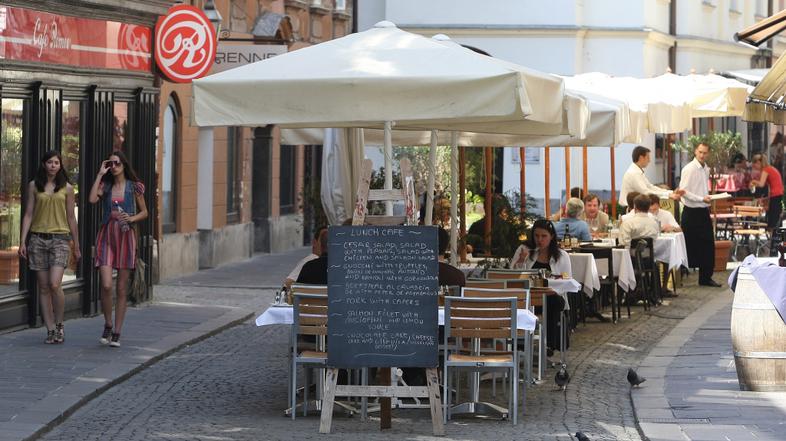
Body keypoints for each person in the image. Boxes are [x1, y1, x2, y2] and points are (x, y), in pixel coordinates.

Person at [18, 151, 81, 344]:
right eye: (50, 162)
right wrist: (22, 241)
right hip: (37, 240)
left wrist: (76, 245)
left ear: (60, 166)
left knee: (55, 284)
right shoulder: (34, 186)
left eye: (56, 162)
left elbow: (71, 217)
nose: (53, 165)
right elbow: (28, 214)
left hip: (60, 239)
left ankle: (60, 324)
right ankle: (50, 329)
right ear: (44, 164)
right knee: (43, 287)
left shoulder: (67, 188)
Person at [89, 151, 148, 347]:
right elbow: (91, 200)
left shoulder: (134, 187)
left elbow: (145, 212)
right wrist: (99, 174)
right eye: (110, 164)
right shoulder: (105, 186)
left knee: (121, 288)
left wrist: (131, 218)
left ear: (124, 165)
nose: (113, 167)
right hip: (107, 235)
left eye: (116, 163)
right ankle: (107, 323)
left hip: (126, 236)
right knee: (106, 284)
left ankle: (117, 331)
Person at [509, 219, 571, 351]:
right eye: (536, 236)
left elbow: (567, 280)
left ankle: (549, 344)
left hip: (552, 296)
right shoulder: (524, 250)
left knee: (552, 300)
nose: (540, 240)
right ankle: (523, 343)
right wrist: (521, 260)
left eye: (544, 236)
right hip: (528, 297)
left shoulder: (561, 256)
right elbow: (513, 276)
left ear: (551, 237)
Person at [678, 143, 720, 287]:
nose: (702, 155)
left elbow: (701, 189)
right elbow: (683, 191)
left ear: (708, 154)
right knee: (688, 244)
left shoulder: (706, 169)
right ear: (695, 152)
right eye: (700, 152)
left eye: (705, 153)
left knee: (708, 245)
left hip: (703, 210)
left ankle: (705, 277)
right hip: (691, 211)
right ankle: (679, 278)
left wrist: (706, 198)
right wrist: (701, 198)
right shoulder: (689, 169)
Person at [750, 153, 784, 229]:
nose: (755, 168)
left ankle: (773, 239)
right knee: (773, 218)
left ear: (758, 163)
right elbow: (770, 186)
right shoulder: (770, 168)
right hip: (777, 194)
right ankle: (773, 238)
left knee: (772, 220)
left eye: (755, 165)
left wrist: (753, 182)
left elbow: (761, 184)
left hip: (776, 195)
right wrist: (768, 198)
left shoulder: (766, 169)